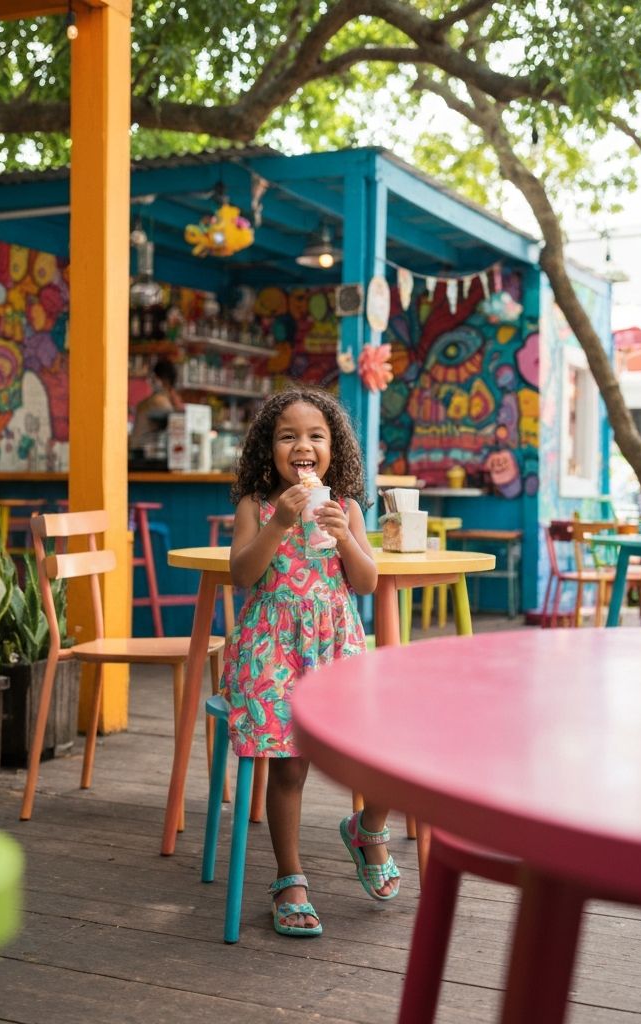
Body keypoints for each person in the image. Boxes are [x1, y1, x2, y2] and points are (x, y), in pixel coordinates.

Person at [223, 387, 396, 938]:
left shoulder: (343, 506)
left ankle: (368, 830)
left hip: (334, 646)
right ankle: (290, 877)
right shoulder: (256, 505)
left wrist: (347, 538)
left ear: (333, 448)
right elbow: (242, 575)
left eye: (315, 435)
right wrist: (277, 525)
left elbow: (367, 582)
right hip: (273, 648)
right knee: (290, 765)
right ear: (268, 449)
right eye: (288, 435)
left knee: (382, 749)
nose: (303, 444)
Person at [129, 357, 184, 455]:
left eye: (154, 378)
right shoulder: (158, 400)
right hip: (144, 456)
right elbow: (176, 421)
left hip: (137, 454)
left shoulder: (152, 400)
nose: (151, 381)